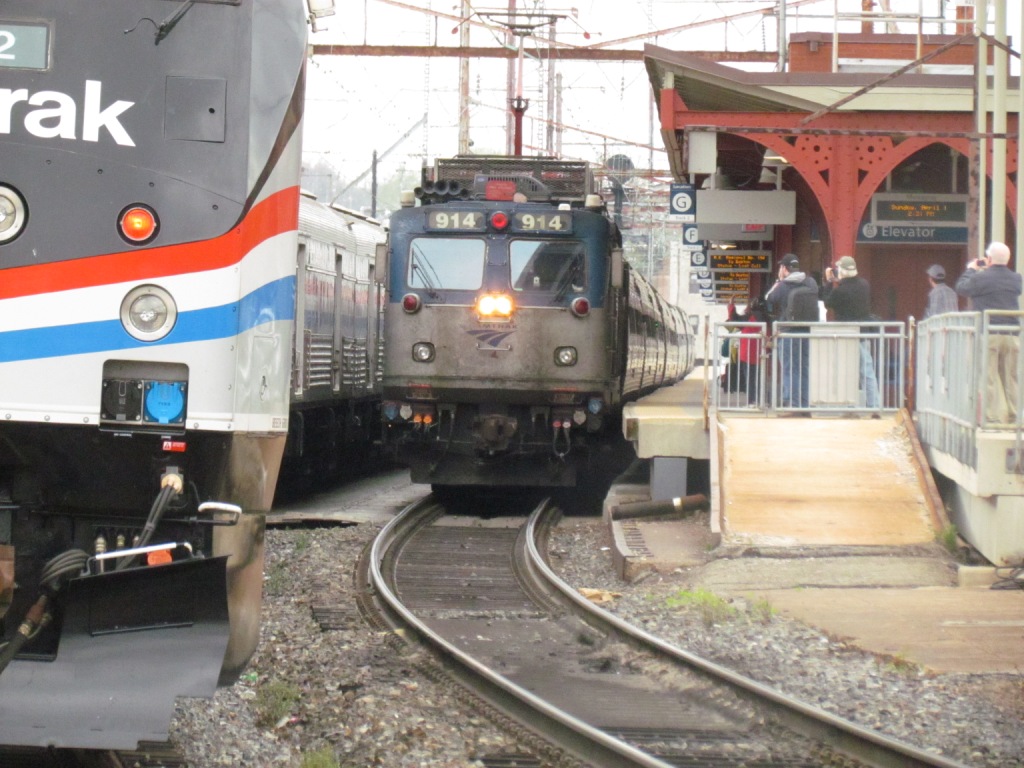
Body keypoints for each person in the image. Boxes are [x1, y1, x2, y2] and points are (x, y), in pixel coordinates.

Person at [955, 242, 1023, 423]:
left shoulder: (980, 278)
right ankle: (1015, 415)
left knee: (988, 376)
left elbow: (962, 288)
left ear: (989, 259)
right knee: (1011, 377)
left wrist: (971, 269)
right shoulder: (1016, 279)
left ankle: (990, 417)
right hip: (1012, 333)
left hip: (989, 333)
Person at [823, 255, 880, 409]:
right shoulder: (864, 285)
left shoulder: (840, 291)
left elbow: (827, 302)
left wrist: (829, 282)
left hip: (846, 336)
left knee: (846, 372)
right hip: (863, 334)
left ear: (841, 270)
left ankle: (847, 405)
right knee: (867, 372)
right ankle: (874, 405)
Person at [765, 253, 817, 409]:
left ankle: (793, 405)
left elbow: (769, 299)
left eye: (781, 267)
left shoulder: (783, 286)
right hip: (806, 332)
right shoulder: (810, 283)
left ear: (784, 268)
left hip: (788, 333)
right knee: (804, 369)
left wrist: (778, 281)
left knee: (790, 369)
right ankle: (804, 404)